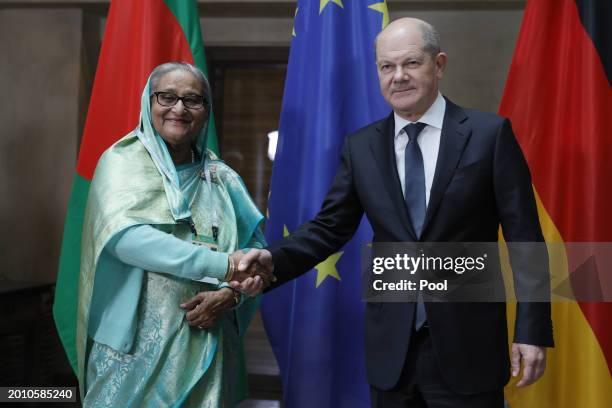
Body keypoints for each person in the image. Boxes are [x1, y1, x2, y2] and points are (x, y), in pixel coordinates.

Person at [235, 18, 553, 407]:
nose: (398, 77)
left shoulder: (489, 135)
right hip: (392, 354)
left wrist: (531, 329)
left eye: (411, 64)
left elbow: (526, 242)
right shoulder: (362, 146)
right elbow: (329, 228)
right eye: (387, 67)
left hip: (469, 348)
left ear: (438, 65)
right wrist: (271, 259)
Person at [76, 61, 272, 407]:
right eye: (166, 97)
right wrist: (225, 266)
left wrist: (230, 295)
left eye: (192, 100)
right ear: (147, 103)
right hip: (132, 351)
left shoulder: (221, 178)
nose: (178, 108)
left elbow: (256, 250)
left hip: (208, 341)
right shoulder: (121, 163)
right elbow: (129, 240)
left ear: (205, 111)